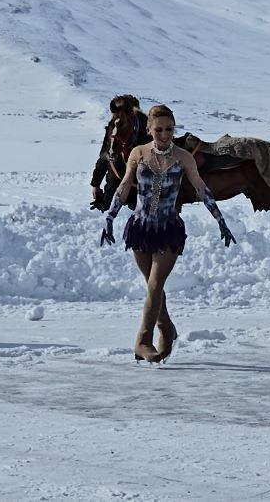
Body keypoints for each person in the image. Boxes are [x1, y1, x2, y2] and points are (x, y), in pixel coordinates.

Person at [100, 104, 237, 363]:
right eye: (159, 129)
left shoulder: (183, 157)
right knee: (154, 288)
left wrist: (220, 220)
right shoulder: (138, 153)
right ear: (150, 130)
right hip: (140, 228)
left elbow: (201, 188)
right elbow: (124, 184)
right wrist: (110, 216)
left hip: (168, 229)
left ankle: (143, 340)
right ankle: (167, 328)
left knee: (155, 284)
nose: (165, 134)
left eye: (170, 129)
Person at [89, 94, 151, 211]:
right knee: (106, 207)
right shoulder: (114, 127)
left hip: (141, 185)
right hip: (115, 179)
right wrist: (96, 184)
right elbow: (104, 156)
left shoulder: (148, 129)